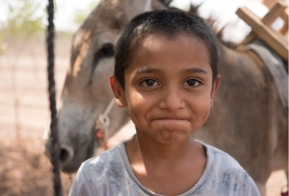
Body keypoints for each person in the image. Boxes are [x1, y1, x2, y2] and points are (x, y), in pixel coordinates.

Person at [69, 10, 261, 196]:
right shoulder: (95, 181)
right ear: (120, 91)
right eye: (149, 82)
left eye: (192, 82)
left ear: (212, 91)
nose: (172, 103)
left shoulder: (233, 181)